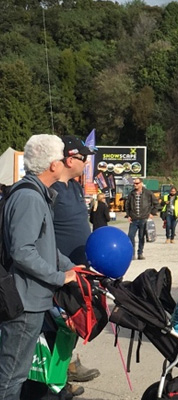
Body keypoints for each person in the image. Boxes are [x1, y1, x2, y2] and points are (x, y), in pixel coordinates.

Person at [0, 134, 79, 399]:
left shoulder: (37, 194)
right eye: (60, 158)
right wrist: (59, 277)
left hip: (31, 298)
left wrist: (73, 269)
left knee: (16, 374)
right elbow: (22, 251)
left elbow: (46, 246)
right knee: (11, 376)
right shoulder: (30, 198)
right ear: (53, 165)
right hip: (24, 301)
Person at [50, 135, 102, 396]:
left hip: (80, 269)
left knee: (74, 322)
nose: (87, 163)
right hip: (62, 271)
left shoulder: (75, 187)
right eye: (84, 158)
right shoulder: (52, 191)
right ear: (70, 159)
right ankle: (60, 378)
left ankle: (65, 372)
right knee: (60, 324)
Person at [124, 178, 158, 260]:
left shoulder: (148, 193)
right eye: (134, 183)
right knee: (130, 236)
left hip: (144, 218)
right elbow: (127, 205)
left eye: (137, 183)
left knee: (141, 237)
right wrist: (128, 215)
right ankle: (132, 254)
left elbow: (156, 204)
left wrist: (152, 213)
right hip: (134, 219)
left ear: (141, 183)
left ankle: (140, 253)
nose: (135, 185)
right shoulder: (131, 194)